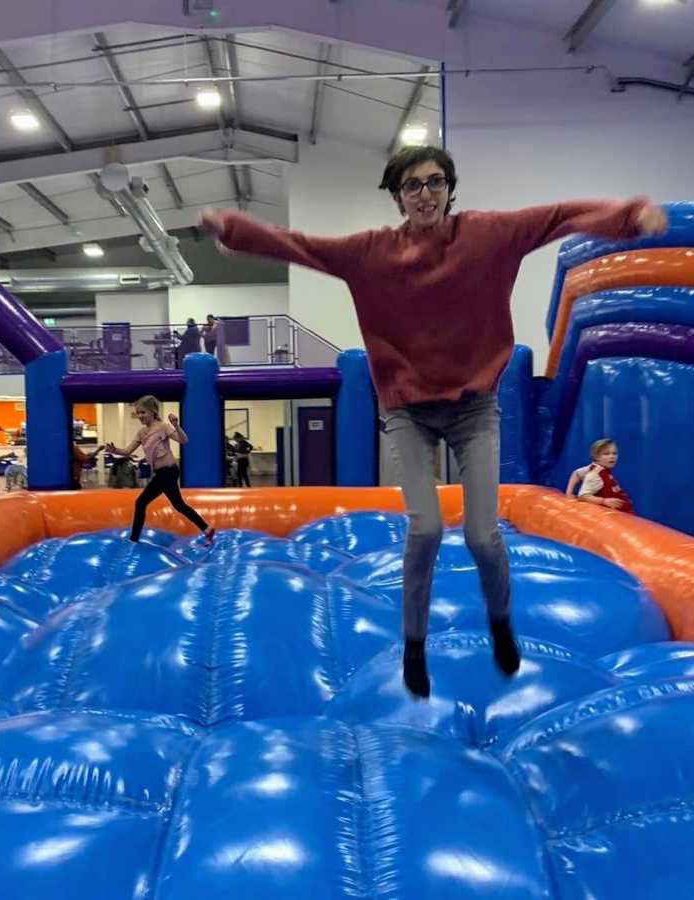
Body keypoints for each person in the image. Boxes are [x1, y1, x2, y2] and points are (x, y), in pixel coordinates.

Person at [200, 144, 667, 699]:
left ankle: (500, 624)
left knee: (481, 534)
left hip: (472, 409)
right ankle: (414, 646)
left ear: (449, 188)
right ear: (398, 196)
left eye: (435, 182)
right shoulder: (371, 253)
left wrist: (627, 216)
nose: (426, 193)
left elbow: (557, 216)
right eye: (413, 185)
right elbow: (303, 247)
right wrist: (233, 227)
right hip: (408, 412)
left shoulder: (487, 235)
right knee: (423, 528)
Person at [107, 395, 216, 544]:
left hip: (169, 471)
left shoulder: (162, 427)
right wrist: (115, 450)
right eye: (138, 413)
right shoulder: (142, 433)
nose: (140, 416)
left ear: (153, 412)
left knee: (141, 502)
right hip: (160, 473)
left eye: (143, 412)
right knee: (178, 505)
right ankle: (207, 529)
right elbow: (127, 451)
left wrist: (176, 426)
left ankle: (134, 539)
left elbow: (184, 440)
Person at [566, 438, 634, 513]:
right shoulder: (595, 475)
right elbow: (583, 496)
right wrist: (604, 501)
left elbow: (576, 473)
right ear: (596, 457)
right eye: (606, 454)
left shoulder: (595, 468)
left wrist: (569, 491)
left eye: (614, 453)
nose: (612, 456)